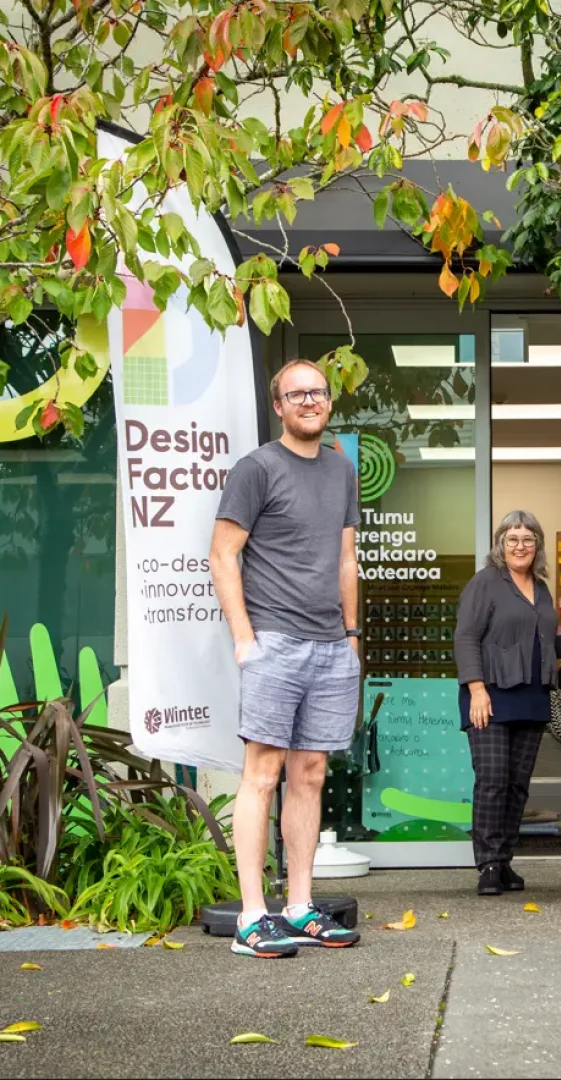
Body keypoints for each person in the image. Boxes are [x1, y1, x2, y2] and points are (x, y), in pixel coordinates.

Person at [210, 358, 362, 958]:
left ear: (328, 402)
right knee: (263, 775)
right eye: (295, 393)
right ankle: (253, 917)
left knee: (310, 775)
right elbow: (224, 555)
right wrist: (245, 637)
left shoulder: (342, 470)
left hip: (330, 646)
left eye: (317, 392)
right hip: (274, 640)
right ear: (278, 406)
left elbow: (346, 558)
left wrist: (352, 636)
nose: (308, 401)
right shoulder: (257, 468)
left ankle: (299, 907)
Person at [454, 510, 561, 895]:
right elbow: (465, 638)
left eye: (528, 539)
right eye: (512, 539)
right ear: (501, 545)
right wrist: (477, 689)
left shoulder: (540, 587)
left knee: (518, 785)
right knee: (492, 781)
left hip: (533, 696)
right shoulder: (485, 583)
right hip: (490, 695)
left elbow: (545, 644)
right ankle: (486, 865)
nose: (520, 546)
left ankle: (504, 862)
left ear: (538, 546)